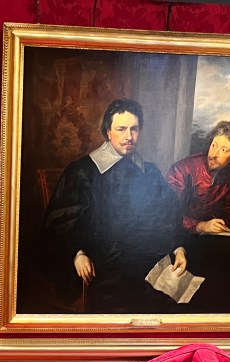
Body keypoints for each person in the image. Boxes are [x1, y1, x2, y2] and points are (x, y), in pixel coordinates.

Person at [41, 98, 187, 313]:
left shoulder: (150, 172)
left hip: (149, 260)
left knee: (181, 298)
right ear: (108, 132)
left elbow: (169, 214)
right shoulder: (82, 172)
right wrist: (77, 254)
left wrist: (179, 248)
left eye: (134, 129)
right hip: (105, 266)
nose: (129, 137)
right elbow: (59, 223)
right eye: (121, 129)